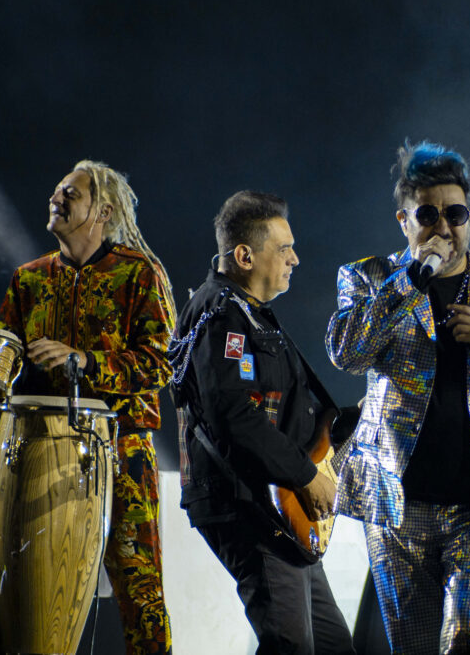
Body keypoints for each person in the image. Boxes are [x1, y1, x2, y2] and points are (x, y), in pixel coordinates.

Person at [325, 140, 470, 653]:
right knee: (415, 646)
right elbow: (347, 353)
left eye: (455, 213)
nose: (443, 227)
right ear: (402, 219)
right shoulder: (367, 278)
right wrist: (408, 281)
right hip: (399, 506)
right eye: (427, 214)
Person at [0, 160, 175, 654]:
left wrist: (86, 361)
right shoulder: (27, 280)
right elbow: (3, 367)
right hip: (40, 451)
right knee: (33, 580)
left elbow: (162, 363)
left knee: (140, 591)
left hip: (123, 449)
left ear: (105, 210)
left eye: (71, 193)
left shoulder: (138, 273)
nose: (57, 198)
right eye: (56, 190)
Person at [168, 191, 354, 654]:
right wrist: (305, 475)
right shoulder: (221, 314)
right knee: (290, 645)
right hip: (251, 506)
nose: (295, 258)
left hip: (279, 509)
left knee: (332, 646)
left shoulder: (247, 311)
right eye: (284, 247)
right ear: (245, 255)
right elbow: (233, 415)